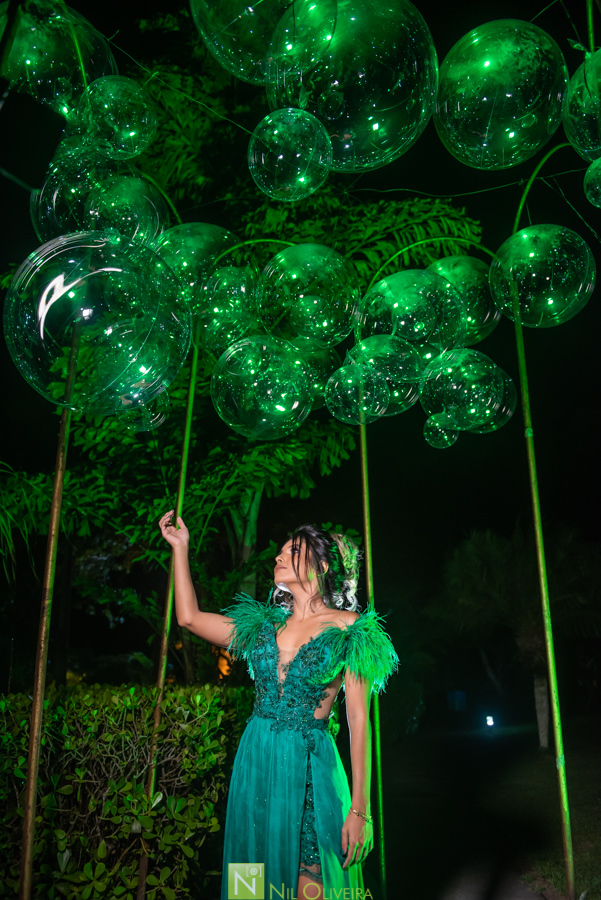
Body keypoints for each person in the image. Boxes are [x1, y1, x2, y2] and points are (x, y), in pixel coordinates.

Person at [159, 512, 398, 900]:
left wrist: (360, 809)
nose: (279, 557)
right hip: (256, 762)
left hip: (310, 768)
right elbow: (188, 618)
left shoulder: (349, 628)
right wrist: (180, 548)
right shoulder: (262, 626)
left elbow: (358, 720)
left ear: (322, 566)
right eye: (281, 551)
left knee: (312, 884)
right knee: (250, 882)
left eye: (293, 551)